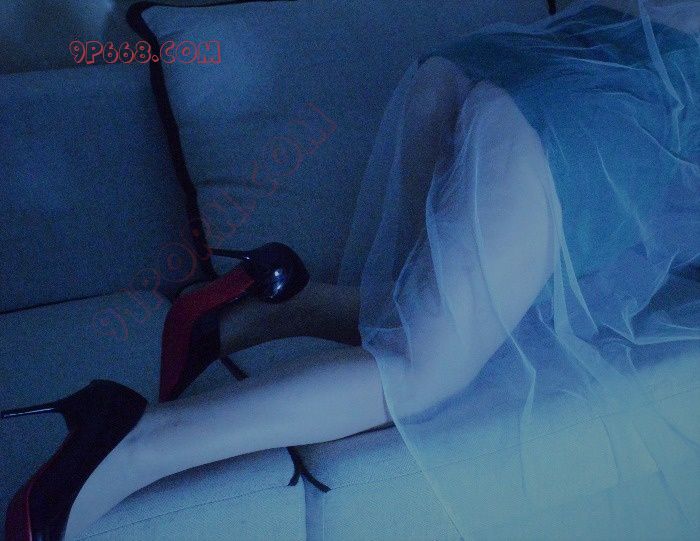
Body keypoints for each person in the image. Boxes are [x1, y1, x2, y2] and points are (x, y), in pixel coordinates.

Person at [4, 1, 699, 539]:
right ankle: (132, 439)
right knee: (422, 371)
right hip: (578, 122)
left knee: (448, 313)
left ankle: (271, 307)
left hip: (498, 64)